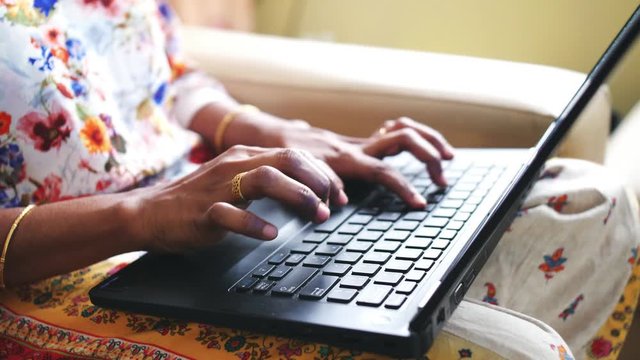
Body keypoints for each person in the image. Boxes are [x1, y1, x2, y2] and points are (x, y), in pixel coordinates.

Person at [0, 1, 637, 359]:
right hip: (64, 261)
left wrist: (272, 130)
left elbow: (171, 74)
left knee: (591, 204)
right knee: (514, 354)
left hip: (204, 205)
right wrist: (139, 213)